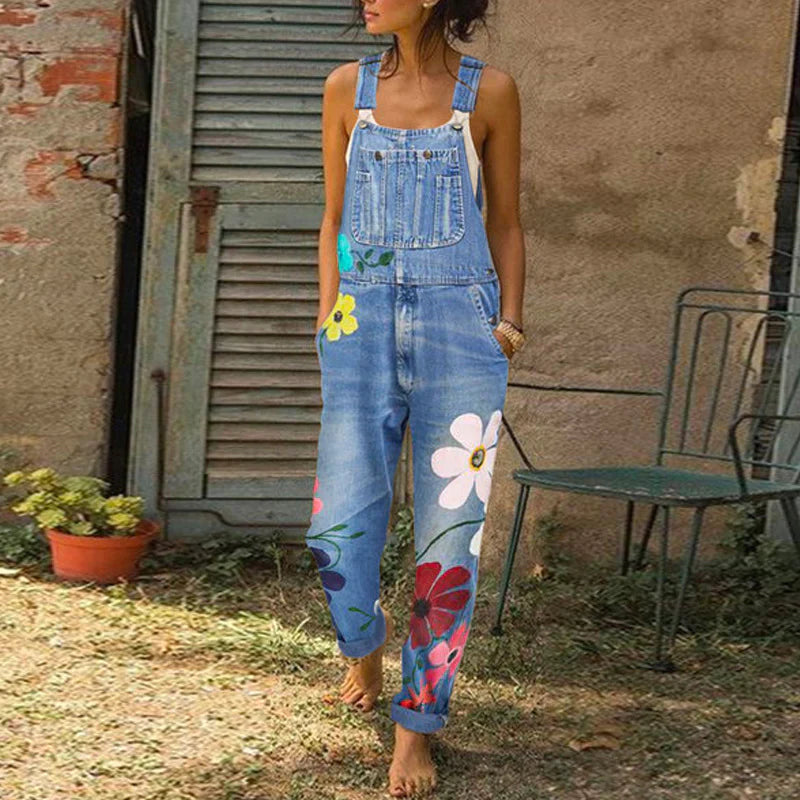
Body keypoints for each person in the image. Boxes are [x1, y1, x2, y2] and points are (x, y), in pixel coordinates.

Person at [305, 1, 525, 795]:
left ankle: (416, 731)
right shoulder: (346, 89)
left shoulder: (489, 92)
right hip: (358, 326)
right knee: (336, 531)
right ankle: (364, 645)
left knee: (447, 546)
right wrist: (329, 315)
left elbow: (507, 221)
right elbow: (334, 219)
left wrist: (509, 321)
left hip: (459, 334)